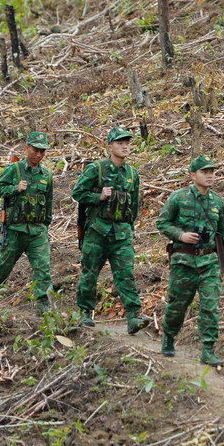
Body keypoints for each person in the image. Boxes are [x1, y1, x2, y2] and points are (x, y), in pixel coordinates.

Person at [72, 126, 151, 334]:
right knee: (90, 273)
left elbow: (133, 205)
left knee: (125, 274)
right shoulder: (96, 169)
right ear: (110, 146)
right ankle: (85, 312)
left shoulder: (132, 174)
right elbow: (78, 193)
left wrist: (129, 228)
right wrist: (98, 196)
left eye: (127, 142)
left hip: (121, 233)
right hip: (97, 232)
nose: (124, 146)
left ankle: (133, 316)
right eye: (119, 142)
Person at [156, 156, 224, 366]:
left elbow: (223, 235)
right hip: (184, 261)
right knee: (178, 305)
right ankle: (169, 335)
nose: (209, 176)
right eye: (204, 172)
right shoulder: (178, 198)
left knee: (210, 306)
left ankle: (208, 349)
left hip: (210, 262)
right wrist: (180, 235)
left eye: (212, 172)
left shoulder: (217, 201)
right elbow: (162, 223)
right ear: (193, 175)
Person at [0, 132, 55, 315]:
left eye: (42, 151)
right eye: (35, 150)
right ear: (27, 149)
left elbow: (48, 203)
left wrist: (45, 225)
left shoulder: (46, 175)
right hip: (15, 229)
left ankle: (43, 305)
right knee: (4, 266)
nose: (38, 155)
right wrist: (15, 189)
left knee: (42, 267)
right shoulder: (14, 170)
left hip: (37, 231)